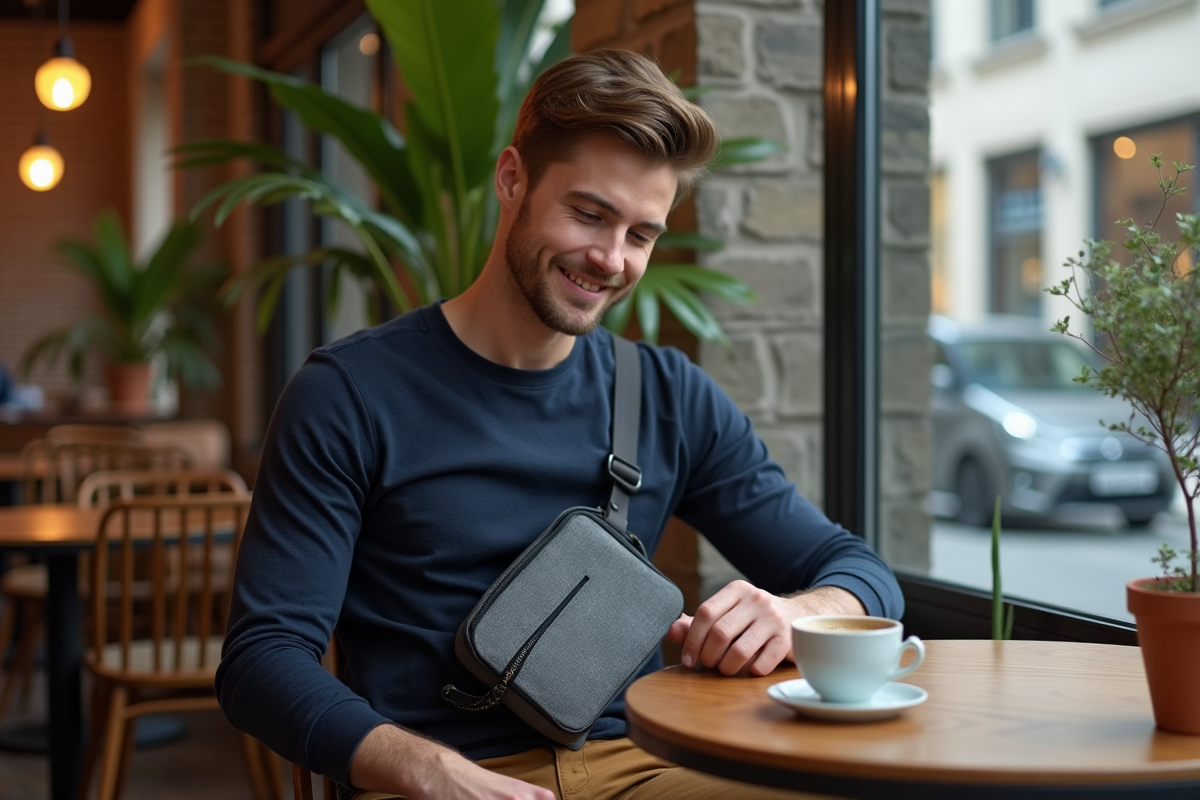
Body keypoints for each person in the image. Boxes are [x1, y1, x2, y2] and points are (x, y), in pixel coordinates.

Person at [217, 49, 903, 800]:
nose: (610, 259)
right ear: (512, 179)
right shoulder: (348, 394)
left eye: (641, 234)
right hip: (433, 777)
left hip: (647, 766)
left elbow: (862, 574)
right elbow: (263, 658)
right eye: (589, 214)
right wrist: (432, 770)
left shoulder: (670, 395)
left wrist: (797, 609)